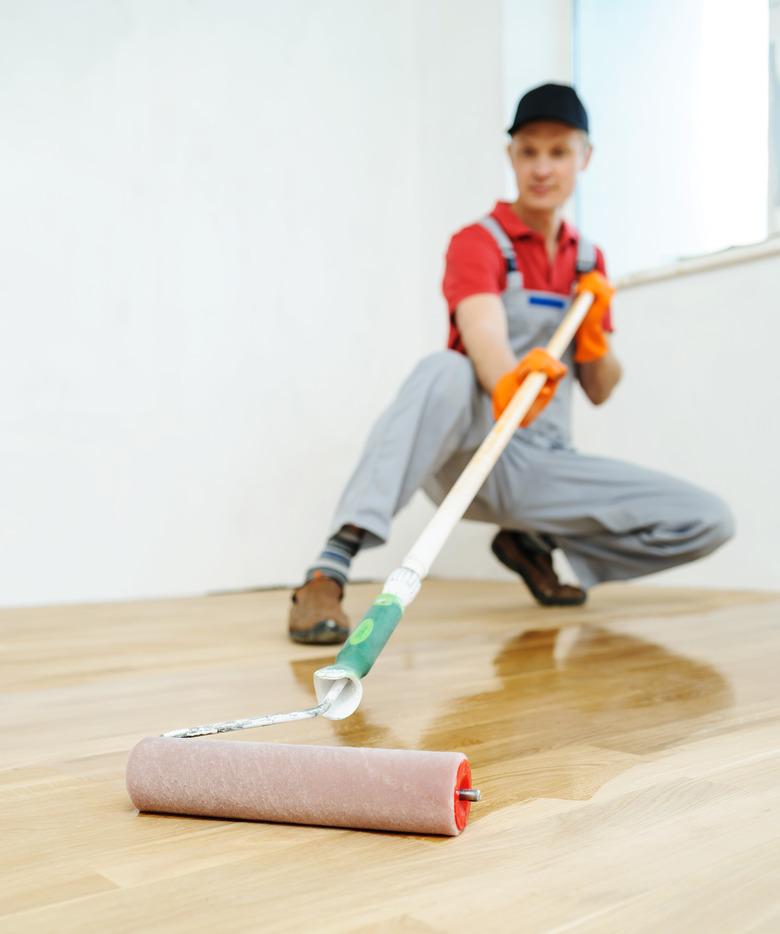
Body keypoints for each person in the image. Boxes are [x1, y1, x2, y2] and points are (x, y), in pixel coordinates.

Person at [288, 83, 734, 645]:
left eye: (558, 152)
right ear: (511, 157)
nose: (542, 168)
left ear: (584, 158)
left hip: (542, 464)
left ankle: (533, 541)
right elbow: (482, 334)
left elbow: (600, 389)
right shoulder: (480, 241)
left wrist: (595, 338)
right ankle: (330, 568)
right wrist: (510, 379)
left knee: (710, 519)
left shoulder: (590, 260)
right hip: (475, 448)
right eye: (528, 151)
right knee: (443, 369)